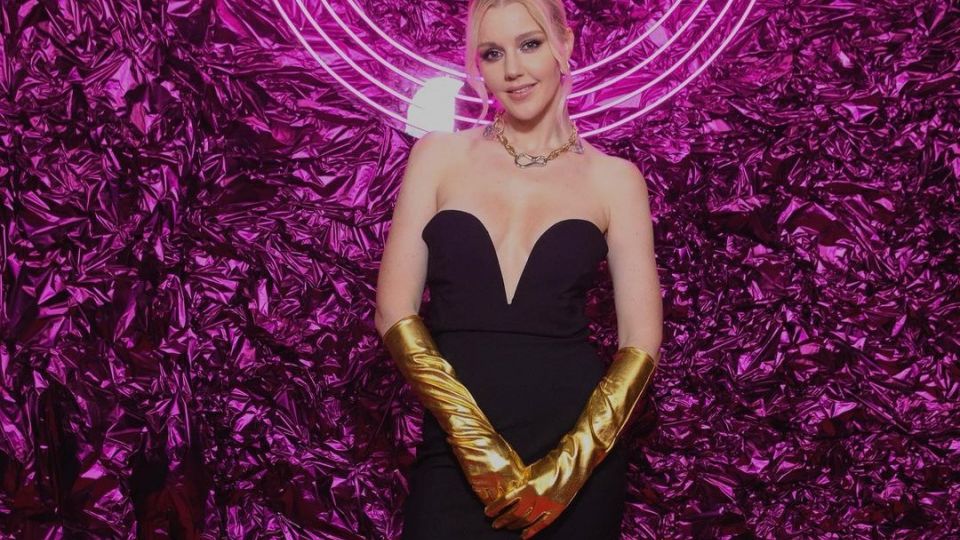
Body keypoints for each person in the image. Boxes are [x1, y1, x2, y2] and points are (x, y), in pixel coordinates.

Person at [374, 0, 663, 538]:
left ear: (565, 44)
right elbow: (394, 310)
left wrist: (569, 467)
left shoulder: (616, 179)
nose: (512, 69)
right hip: (456, 455)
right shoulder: (438, 156)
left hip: (576, 458)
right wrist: (477, 447)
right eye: (492, 53)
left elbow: (641, 341)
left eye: (529, 44)